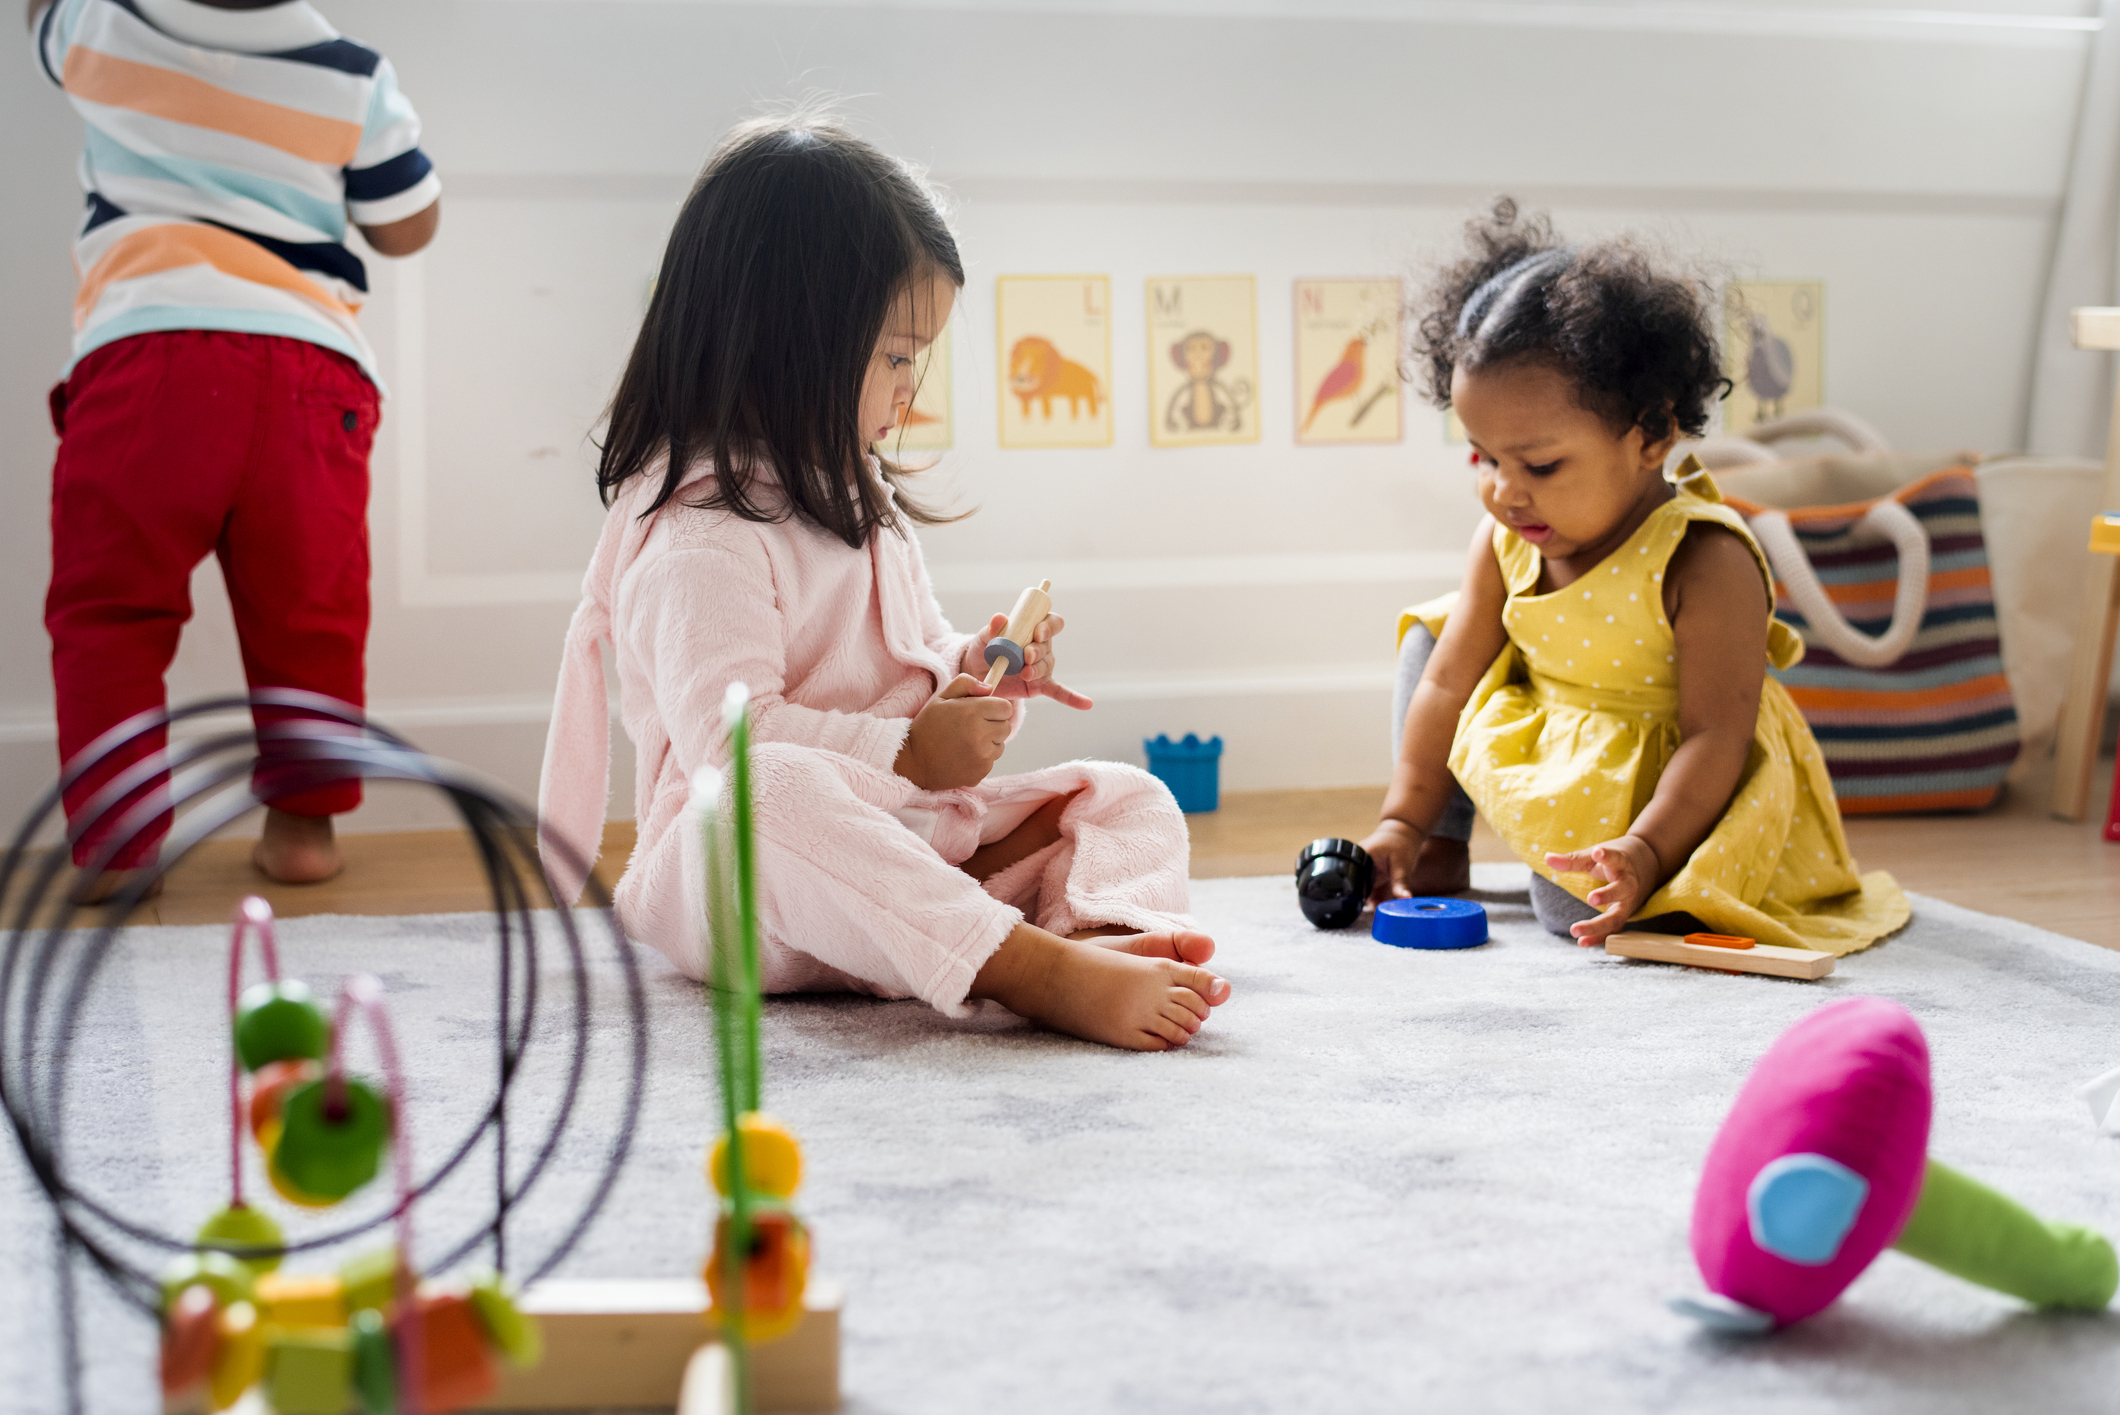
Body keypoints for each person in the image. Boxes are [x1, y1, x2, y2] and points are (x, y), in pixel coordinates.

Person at [538, 116, 1230, 1051]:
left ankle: (1100, 927)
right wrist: (908, 753)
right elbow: (728, 752)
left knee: (1122, 795)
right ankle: (1032, 968)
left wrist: (980, 674)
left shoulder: (855, 498)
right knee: (764, 792)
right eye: (897, 356)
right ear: (789, 341)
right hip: (754, 892)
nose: (910, 389)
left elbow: (908, 669)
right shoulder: (698, 537)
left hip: (901, 852)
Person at [1359, 200, 1908, 953]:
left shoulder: (1706, 560)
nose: (1504, 491)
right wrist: (1400, 819)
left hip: (1671, 776)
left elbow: (1717, 737)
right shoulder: (1505, 537)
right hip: (1555, 730)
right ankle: (1436, 845)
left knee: (1568, 910)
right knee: (1430, 639)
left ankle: (1628, 862)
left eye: (1541, 465)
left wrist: (1645, 850)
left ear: (1650, 433)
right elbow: (1449, 685)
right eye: (1485, 458)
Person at [29, 0, 440, 899]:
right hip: (308, 372)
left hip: (144, 358)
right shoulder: (349, 72)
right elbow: (409, 224)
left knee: (109, 614)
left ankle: (114, 839)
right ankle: (304, 828)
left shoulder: (101, 25)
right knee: (311, 615)